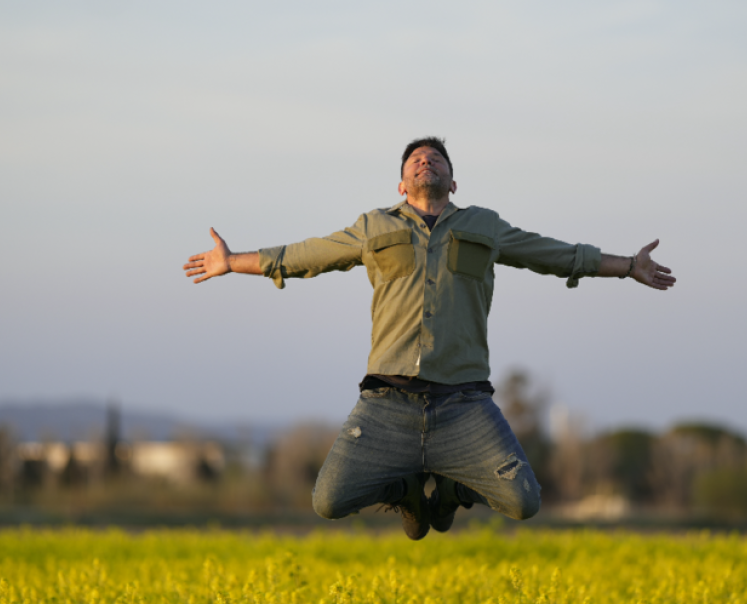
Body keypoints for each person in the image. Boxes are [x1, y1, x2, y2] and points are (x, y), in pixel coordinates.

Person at [182, 137, 676, 539]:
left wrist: (628, 266)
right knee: (328, 501)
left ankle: (453, 489)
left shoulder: (485, 225)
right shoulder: (372, 226)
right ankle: (408, 492)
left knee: (525, 501)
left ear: (452, 180)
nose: (426, 161)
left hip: (465, 403)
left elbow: (558, 254)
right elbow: (302, 255)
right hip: (386, 402)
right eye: (416, 159)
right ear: (402, 182)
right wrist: (232, 262)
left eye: (436, 157)